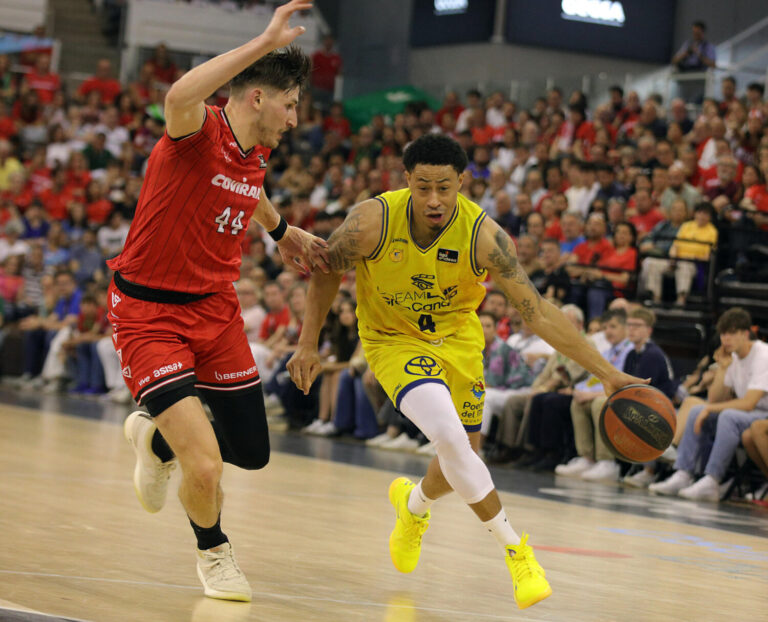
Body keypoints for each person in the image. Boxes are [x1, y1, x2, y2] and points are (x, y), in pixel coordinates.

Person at [287, 133, 644, 610]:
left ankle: (413, 507)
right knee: (452, 442)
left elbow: (536, 311)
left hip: (458, 342)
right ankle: (517, 550)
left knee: (464, 458)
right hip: (393, 341)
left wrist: (607, 373)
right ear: (406, 181)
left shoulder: (486, 237)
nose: (434, 200)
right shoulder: (372, 220)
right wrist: (307, 342)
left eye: (444, 188)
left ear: (462, 182)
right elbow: (328, 267)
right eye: (423, 187)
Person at [109, 1, 328, 603]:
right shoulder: (196, 128)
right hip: (150, 313)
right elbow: (179, 92)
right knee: (204, 465)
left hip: (215, 310)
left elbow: (247, 189)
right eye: (289, 105)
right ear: (257, 97)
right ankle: (215, 554)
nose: (294, 119)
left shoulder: (256, 151)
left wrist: (282, 232)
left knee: (251, 454)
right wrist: (263, 41)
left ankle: (153, 440)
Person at [649, 308, 768, 502]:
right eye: (723, 334)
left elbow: (749, 403)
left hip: (763, 413)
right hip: (749, 413)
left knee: (727, 416)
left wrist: (710, 409)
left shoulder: (763, 355)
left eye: (732, 333)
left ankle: (712, 479)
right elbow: (715, 399)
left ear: (745, 334)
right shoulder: (735, 358)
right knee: (697, 410)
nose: (726, 339)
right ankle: (683, 474)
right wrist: (722, 367)